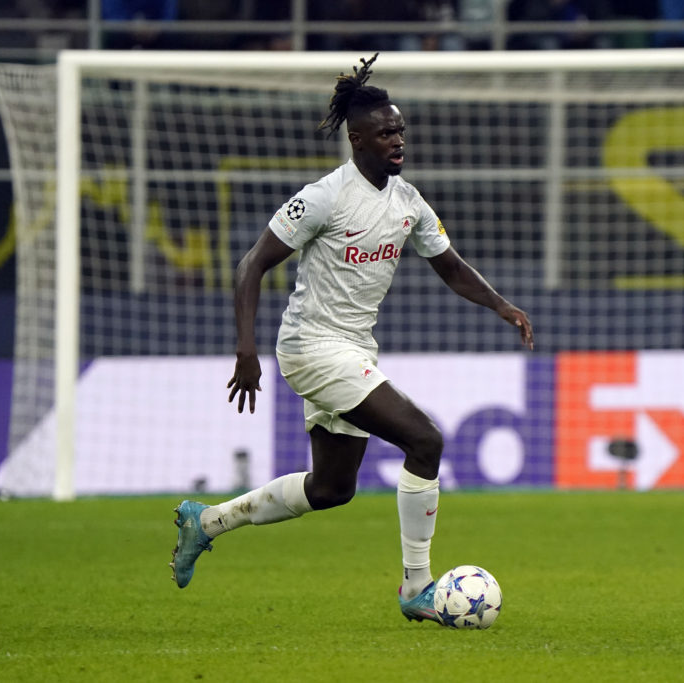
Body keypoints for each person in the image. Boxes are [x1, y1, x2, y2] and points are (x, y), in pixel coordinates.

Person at [169, 54, 534, 623]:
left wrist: (501, 305)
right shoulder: (324, 197)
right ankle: (417, 587)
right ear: (357, 138)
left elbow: (451, 266)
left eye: (401, 130)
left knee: (332, 487)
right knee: (426, 442)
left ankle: (208, 520)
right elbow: (250, 265)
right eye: (386, 132)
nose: (398, 140)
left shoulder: (408, 201)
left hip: (354, 348)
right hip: (313, 347)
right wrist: (246, 348)